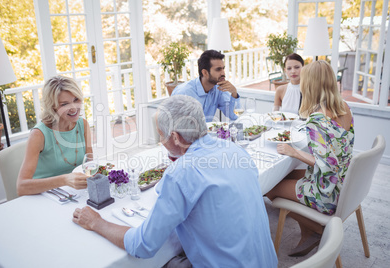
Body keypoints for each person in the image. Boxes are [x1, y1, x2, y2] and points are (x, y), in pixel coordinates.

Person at [73, 95, 278, 267]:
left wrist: (96, 222)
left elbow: (143, 245)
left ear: (175, 137)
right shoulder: (234, 149)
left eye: (161, 136)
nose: (161, 142)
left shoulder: (181, 173)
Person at [266, 60, 355, 256]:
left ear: (310, 84)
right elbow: (336, 155)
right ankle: (308, 231)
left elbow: (327, 165)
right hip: (344, 184)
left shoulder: (317, 119)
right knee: (282, 176)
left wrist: (294, 152)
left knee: (269, 187)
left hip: (326, 192)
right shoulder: (345, 107)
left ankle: (316, 229)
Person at [17, 76, 91, 196]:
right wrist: (65, 180)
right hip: (43, 196)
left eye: (76, 99)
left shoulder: (83, 124)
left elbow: (89, 163)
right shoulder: (38, 134)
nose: (73, 108)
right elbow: (21, 187)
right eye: (64, 104)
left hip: (75, 194)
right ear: (52, 107)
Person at [171, 49, 240, 122]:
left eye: (223, 68)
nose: (223, 73)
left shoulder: (219, 89)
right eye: (218, 69)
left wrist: (234, 93)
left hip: (208, 132)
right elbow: (175, 125)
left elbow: (233, 115)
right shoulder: (184, 93)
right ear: (205, 73)